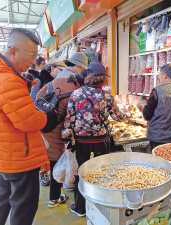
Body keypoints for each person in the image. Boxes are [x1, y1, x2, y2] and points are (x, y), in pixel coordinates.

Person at [0, 28, 50, 225]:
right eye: (32, 55)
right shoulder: (7, 79)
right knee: (23, 207)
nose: (34, 61)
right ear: (13, 50)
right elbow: (27, 120)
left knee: (1, 200)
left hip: (0, 155)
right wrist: (43, 115)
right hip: (17, 158)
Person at [62, 61, 129, 217]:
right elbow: (117, 116)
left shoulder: (76, 94)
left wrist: (66, 138)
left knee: (82, 172)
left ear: (88, 77)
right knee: (102, 172)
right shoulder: (106, 95)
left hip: (81, 140)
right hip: (101, 139)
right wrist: (128, 116)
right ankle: (101, 206)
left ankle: (80, 208)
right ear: (103, 78)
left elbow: (69, 119)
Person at [36, 55, 88, 208]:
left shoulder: (57, 80)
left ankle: (54, 194)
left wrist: (49, 110)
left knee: (51, 160)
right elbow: (74, 115)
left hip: (44, 124)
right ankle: (54, 198)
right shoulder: (77, 89)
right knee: (56, 162)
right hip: (59, 128)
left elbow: (39, 96)